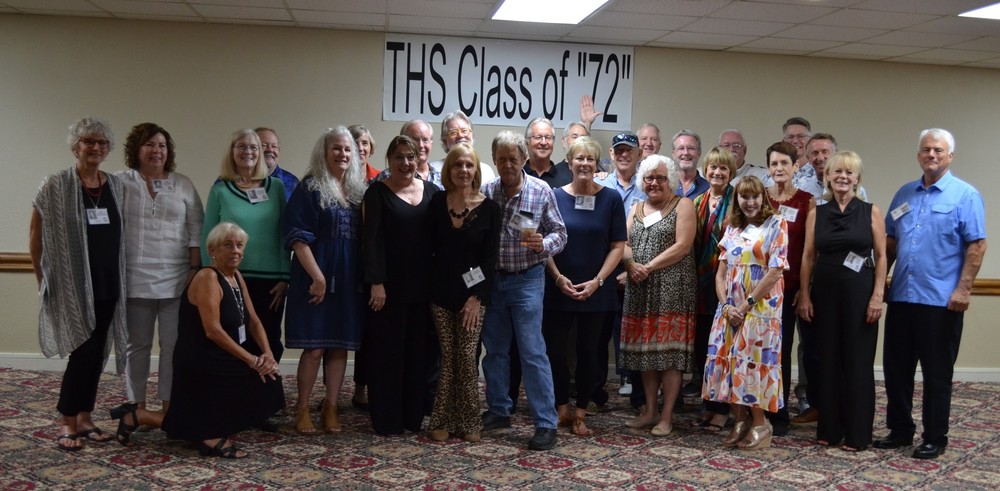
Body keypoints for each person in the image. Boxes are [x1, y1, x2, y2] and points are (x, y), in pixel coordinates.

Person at [875, 129, 986, 460]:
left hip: (940, 302)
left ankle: (935, 436)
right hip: (902, 298)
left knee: (937, 374)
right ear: (918, 155)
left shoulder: (965, 195)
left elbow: (977, 245)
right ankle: (900, 429)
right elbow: (889, 242)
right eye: (926, 150)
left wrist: (964, 289)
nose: (931, 155)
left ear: (950, 156)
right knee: (896, 369)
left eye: (938, 150)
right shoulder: (904, 193)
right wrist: (880, 283)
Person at [30, 117, 128, 451]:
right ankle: (68, 420)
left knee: (98, 352)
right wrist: (42, 278)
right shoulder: (55, 185)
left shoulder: (115, 186)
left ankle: (85, 418)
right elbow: (36, 235)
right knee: (82, 351)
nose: (96, 148)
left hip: (109, 283)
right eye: (89, 141)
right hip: (72, 286)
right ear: (76, 146)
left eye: (102, 143)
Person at [159, 222, 285, 458]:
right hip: (201, 358)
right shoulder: (207, 276)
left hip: (221, 354)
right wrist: (251, 360)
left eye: (239, 245)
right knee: (259, 378)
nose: (235, 250)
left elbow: (254, 321)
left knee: (271, 377)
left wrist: (267, 354)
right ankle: (208, 435)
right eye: (228, 245)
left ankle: (148, 418)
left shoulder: (235, 276)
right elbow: (213, 331)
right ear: (212, 250)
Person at [481, 130, 567, 451]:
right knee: (495, 350)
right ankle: (499, 410)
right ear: (494, 160)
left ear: (524, 160)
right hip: (493, 282)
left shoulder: (541, 191)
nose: (507, 165)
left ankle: (545, 423)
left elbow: (560, 234)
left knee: (532, 351)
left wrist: (543, 244)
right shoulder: (487, 192)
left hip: (527, 280)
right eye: (501, 159)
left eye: (513, 159)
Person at [798, 150, 886, 451]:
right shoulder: (817, 213)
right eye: (837, 171)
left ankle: (858, 433)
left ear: (857, 178)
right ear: (828, 177)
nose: (843, 177)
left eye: (849, 172)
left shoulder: (871, 212)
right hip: (824, 294)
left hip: (860, 294)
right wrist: (805, 294)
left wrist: (878, 296)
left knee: (857, 361)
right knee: (828, 359)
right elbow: (808, 257)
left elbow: (882, 256)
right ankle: (830, 428)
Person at [285, 127, 367, 434]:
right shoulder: (310, 187)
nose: (342, 154)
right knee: (315, 347)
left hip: (348, 279)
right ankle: (303, 409)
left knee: (339, 347)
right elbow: (297, 237)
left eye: (347, 149)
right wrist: (317, 276)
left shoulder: (358, 191)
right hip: (315, 276)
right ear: (324, 152)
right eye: (336, 148)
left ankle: (331, 408)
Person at [117, 123, 203, 415]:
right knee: (137, 345)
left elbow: (196, 229)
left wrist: (194, 269)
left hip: (177, 279)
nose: (157, 151)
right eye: (150, 144)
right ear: (136, 149)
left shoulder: (182, 183)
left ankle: (169, 407)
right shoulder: (120, 182)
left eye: (162, 145)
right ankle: (136, 408)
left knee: (173, 346)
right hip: (134, 277)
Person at [544, 137, 626, 436]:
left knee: (589, 352)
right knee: (555, 351)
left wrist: (598, 281)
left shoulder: (611, 199)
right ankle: (561, 407)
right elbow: (544, 244)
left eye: (590, 159)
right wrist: (557, 277)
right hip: (558, 287)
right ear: (569, 162)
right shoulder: (553, 196)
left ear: (597, 164)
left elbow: (618, 246)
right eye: (579, 158)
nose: (585, 164)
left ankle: (580, 412)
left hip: (597, 289)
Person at [703, 176, 788, 450]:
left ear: (763, 198)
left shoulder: (776, 224)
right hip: (729, 309)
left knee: (752, 365)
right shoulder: (732, 228)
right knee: (730, 362)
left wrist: (745, 304)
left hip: (760, 309)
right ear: (736, 199)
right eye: (744, 197)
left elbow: (775, 271)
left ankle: (761, 424)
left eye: (755, 197)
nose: (750, 202)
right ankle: (740, 419)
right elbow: (721, 273)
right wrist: (726, 306)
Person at [362, 135, 436, 435]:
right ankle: (387, 420)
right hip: (388, 291)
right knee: (387, 356)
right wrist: (376, 282)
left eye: (410, 156)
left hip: (423, 289)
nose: (405, 163)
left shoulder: (432, 192)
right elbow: (371, 241)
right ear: (389, 160)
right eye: (399, 157)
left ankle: (412, 417)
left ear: (418, 159)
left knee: (418, 356)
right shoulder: (377, 193)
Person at [427, 143, 501, 443]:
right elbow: (429, 249)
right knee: (448, 358)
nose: (463, 170)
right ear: (449, 169)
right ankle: (442, 419)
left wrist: (476, 297)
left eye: (469, 165)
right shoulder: (437, 203)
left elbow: (489, 259)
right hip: (440, 294)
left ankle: (470, 421)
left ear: (476, 170)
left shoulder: (490, 209)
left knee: (467, 357)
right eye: (458, 164)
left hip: (474, 297)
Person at [620, 154, 696, 437]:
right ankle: (650, 411)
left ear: (670, 180)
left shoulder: (683, 205)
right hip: (640, 289)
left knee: (669, 355)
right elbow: (624, 243)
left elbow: (683, 246)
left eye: (660, 178)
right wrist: (631, 264)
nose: (654, 183)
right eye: (649, 178)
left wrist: (648, 267)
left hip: (672, 290)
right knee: (646, 354)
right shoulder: (636, 208)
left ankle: (666, 416)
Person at [202, 129, 290, 369]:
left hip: (270, 282)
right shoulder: (220, 190)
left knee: (268, 339)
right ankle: (236, 389)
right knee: (234, 338)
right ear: (232, 152)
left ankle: (266, 388)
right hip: (229, 278)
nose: (247, 151)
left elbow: (283, 234)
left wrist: (285, 277)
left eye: (253, 147)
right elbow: (208, 236)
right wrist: (210, 277)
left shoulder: (277, 187)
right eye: (241, 146)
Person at [762, 141, 815, 435]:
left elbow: (809, 253)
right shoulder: (760, 197)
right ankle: (757, 409)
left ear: (796, 166)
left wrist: (804, 291)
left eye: (784, 163)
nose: (779, 168)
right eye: (774, 164)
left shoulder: (807, 201)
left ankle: (779, 413)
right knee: (760, 350)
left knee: (781, 351)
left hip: (789, 289)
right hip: (759, 289)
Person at [688, 147, 737, 430]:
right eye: (713, 167)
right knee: (702, 348)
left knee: (723, 349)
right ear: (705, 170)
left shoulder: (738, 202)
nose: (717, 173)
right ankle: (708, 403)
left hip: (727, 284)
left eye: (723, 168)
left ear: (731, 172)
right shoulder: (697, 201)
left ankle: (723, 408)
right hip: (699, 286)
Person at [597, 132, 647, 407]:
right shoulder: (599, 184)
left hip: (639, 269)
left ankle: (640, 397)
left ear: (639, 154)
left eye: (629, 150)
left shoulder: (650, 185)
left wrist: (631, 268)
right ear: (611, 154)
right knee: (599, 334)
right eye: (618, 151)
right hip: (604, 268)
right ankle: (595, 394)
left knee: (637, 334)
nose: (624, 155)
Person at [429, 110, 497, 181]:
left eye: (464, 131)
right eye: (454, 132)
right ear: (445, 141)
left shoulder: (486, 171)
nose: (460, 135)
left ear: (472, 137)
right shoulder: (433, 169)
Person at [374, 120, 443, 189]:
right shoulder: (386, 177)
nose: (421, 145)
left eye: (425, 140)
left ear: (431, 143)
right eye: (415, 140)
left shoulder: (442, 178)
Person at [523, 117, 572, 187]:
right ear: (527, 142)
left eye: (548, 137)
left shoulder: (567, 179)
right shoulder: (518, 175)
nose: (543, 142)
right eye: (538, 137)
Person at [257, 127, 300, 200]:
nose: (270, 149)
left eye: (274, 146)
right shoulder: (240, 181)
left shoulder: (293, 182)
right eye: (263, 145)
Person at [671, 130, 708, 199]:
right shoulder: (664, 186)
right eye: (681, 148)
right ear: (673, 154)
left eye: (691, 148)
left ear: (699, 153)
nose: (686, 153)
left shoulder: (708, 189)